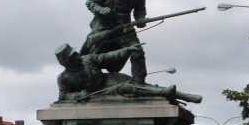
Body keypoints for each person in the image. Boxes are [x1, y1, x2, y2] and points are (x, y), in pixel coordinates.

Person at [55, 43, 202, 104]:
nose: (77, 56)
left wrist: (127, 50)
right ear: (67, 62)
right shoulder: (64, 78)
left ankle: (179, 96)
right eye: (73, 56)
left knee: (141, 85)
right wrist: (78, 95)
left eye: (75, 53)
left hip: (109, 79)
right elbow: (63, 96)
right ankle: (167, 92)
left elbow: (108, 56)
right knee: (129, 88)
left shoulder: (87, 59)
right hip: (97, 93)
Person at [81, 0, 151, 83]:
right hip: (104, 25)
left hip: (124, 27)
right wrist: (101, 10)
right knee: (93, 55)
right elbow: (90, 2)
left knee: (137, 51)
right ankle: (87, 81)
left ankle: (139, 82)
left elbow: (140, 9)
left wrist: (141, 19)